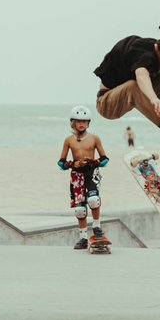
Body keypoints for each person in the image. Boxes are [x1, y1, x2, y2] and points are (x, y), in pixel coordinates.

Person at [58, 106, 110, 252]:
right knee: (80, 209)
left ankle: (97, 227)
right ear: (73, 122)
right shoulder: (68, 140)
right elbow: (61, 163)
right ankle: (83, 238)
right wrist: (72, 164)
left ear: (88, 123)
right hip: (77, 176)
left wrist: (94, 162)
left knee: (93, 200)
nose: (81, 124)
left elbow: (105, 159)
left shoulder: (94, 138)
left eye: (84, 121)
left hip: (91, 172)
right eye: (78, 121)